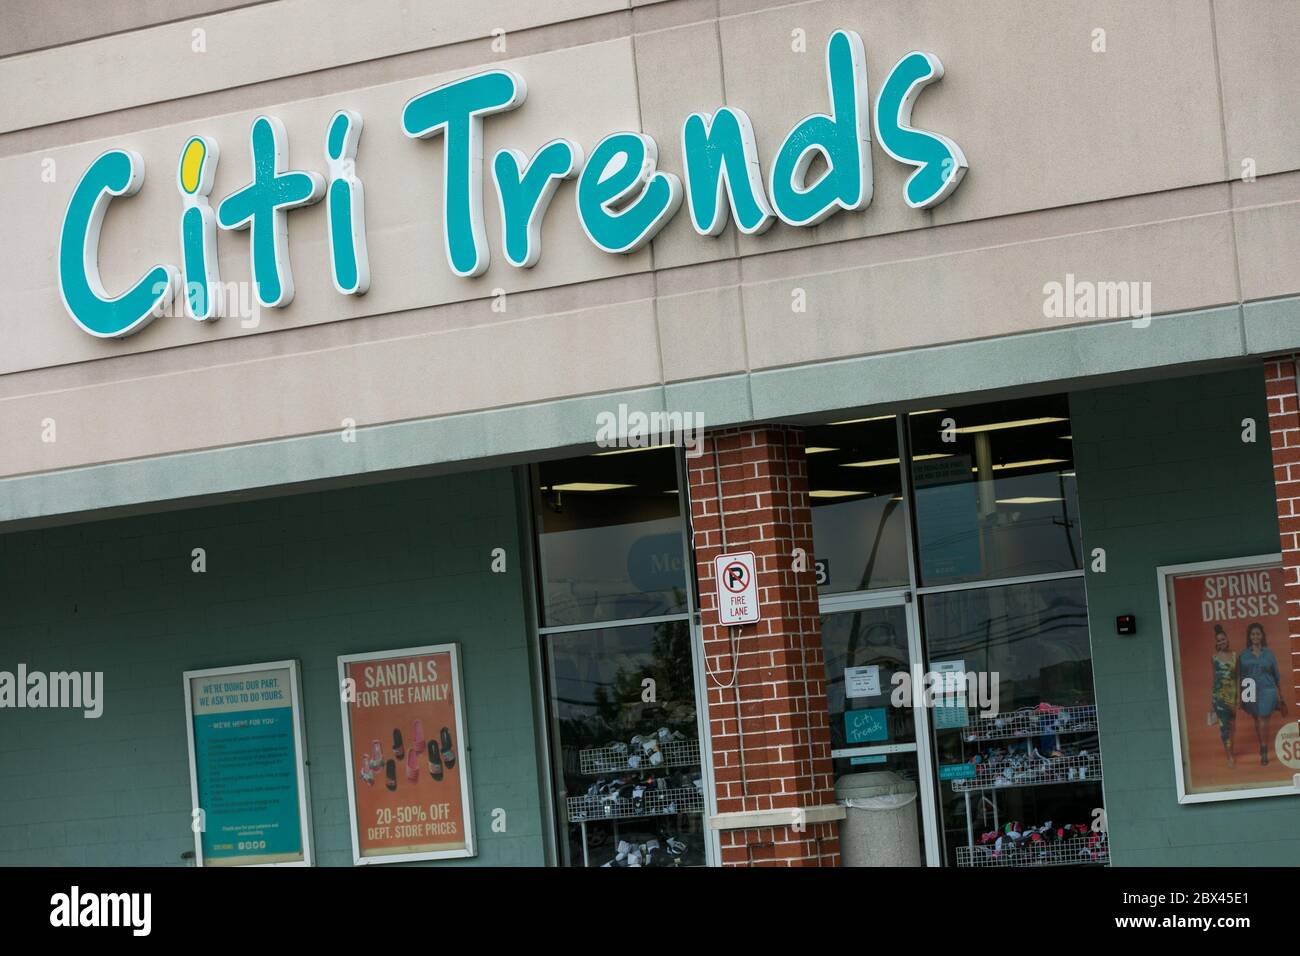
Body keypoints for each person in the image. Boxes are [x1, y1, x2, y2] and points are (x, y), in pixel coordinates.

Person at [1238, 622, 1286, 765]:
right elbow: (1240, 676)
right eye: (1253, 634)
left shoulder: (1269, 654)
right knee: (1257, 720)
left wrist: (1281, 695)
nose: (1255, 636)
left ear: (1262, 636)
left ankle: (1264, 750)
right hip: (1250, 690)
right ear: (1249, 637)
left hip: (1267, 689)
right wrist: (1240, 696)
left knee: (1263, 719)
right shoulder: (1243, 655)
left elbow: (1276, 675)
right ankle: (1262, 744)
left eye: (1258, 633)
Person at [1209, 625, 1238, 768]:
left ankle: (1231, 749)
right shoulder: (1214, 658)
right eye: (1218, 640)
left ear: (1227, 639)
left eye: (1223, 639)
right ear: (1216, 643)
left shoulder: (1234, 656)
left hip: (1231, 696)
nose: (1221, 642)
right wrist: (1211, 704)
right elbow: (1214, 679)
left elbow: (1238, 677)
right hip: (1219, 697)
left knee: (1232, 725)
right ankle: (1229, 756)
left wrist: (1238, 697)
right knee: (1224, 727)